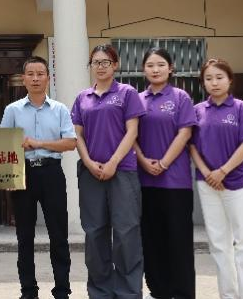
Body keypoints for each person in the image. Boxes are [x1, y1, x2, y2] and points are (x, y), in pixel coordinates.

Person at [71, 44, 146, 299]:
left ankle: (128, 292)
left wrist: (113, 162)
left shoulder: (127, 93)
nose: (100, 67)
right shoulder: (82, 98)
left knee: (126, 232)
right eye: (96, 62)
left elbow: (132, 131)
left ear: (115, 65)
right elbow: (77, 135)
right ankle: (100, 292)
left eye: (105, 62)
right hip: (91, 174)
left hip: (122, 172)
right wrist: (89, 162)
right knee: (94, 234)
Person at [0, 56, 77, 299]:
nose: (35, 78)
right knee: (25, 236)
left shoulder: (60, 109)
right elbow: (2, 145)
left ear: (48, 78)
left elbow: (70, 142)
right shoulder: (12, 110)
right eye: (30, 74)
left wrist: (39, 143)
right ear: (23, 79)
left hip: (52, 173)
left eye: (40, 74)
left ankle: (62, 290)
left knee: (58, 234)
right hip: (23, 174)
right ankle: (28, 290)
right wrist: (8, 177)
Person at [189, 58, 243, 299]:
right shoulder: (198, 111)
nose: (214, 83)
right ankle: (228, 295)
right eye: (208, 78)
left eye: (219, 77)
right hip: (208, 185)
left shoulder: (242, 108)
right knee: (219, 244)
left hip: (239, 182)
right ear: (203, 83)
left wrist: (222, 171)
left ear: (230, 80)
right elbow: (192, 146)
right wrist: (207, 173)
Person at [134, 48, 197, 299]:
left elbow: (185, 133)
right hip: (144, 181)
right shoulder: (137, 99)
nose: (155, 69)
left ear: (170, 68)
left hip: (176, 182)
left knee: (178, 239)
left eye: (161, 64)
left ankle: (182, 292)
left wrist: (163, 163)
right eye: (150, 65)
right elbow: (131, 135)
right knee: (151, 239)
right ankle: (158, 290)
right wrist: (143, 161)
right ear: (143, 70)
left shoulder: (181, 97)